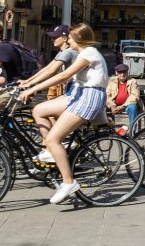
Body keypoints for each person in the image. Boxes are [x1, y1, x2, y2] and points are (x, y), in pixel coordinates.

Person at [19, 24, 109, 204]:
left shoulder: (88, 53)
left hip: (89, 97)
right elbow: (54, 72)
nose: (67, 40)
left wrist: (32, 88)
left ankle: (69, 182)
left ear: (79, 40)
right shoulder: (83, 54)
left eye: (70, 38)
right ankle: (52, 151)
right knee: (39, 110)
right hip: (80, 93)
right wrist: (29, 83)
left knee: (53, 139)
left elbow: (61, 76)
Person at [18, 25, 76, 141]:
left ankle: (54, 143)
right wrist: (28, 81)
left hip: (74, 89)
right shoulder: (62, 52)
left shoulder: (69, 51)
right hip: (70, 88)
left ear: (65, 38)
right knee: (50, 113)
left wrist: (30, 86)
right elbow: (46, 68)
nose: (52, 39)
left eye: (55, 37)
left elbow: (51, 71)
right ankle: (61, 140)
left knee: (42, 111)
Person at [106, 64, 140, 134]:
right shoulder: (112, 81)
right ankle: (107, 131)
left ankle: (132, 131)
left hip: (127, 105)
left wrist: (122, 106)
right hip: (115, 105)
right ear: (116, 73)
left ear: (127, 72)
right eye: (120, 72)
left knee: (133, 107)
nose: (122, 74)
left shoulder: (133, 81)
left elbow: (134, 96)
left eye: (124, 72)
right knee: (101, 107)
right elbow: (107, 95)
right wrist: (112, 106)